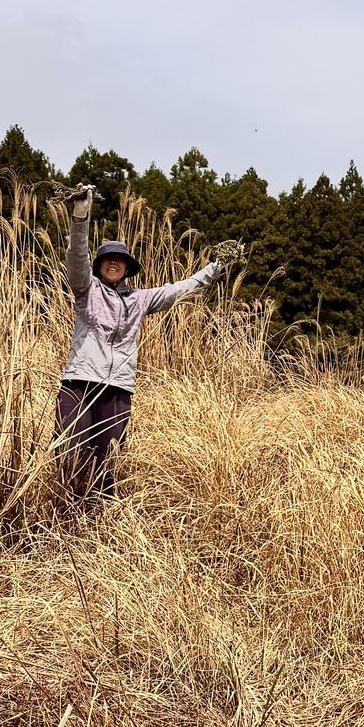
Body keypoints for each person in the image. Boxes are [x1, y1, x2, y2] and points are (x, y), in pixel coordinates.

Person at [56, 183, 245, 508]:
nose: (113, 263)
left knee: (107, 463)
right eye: (107, 260)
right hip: (79, 385)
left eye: (120, 260)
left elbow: (181, 289)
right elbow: (76, 255)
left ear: (128, 268)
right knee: (70, 456)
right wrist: (80, 215)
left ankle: (97, 528)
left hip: (116, 391)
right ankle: (65, 524)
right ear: (100, 265)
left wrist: (216, 267)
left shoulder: (140, 299)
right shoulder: (86, 289)